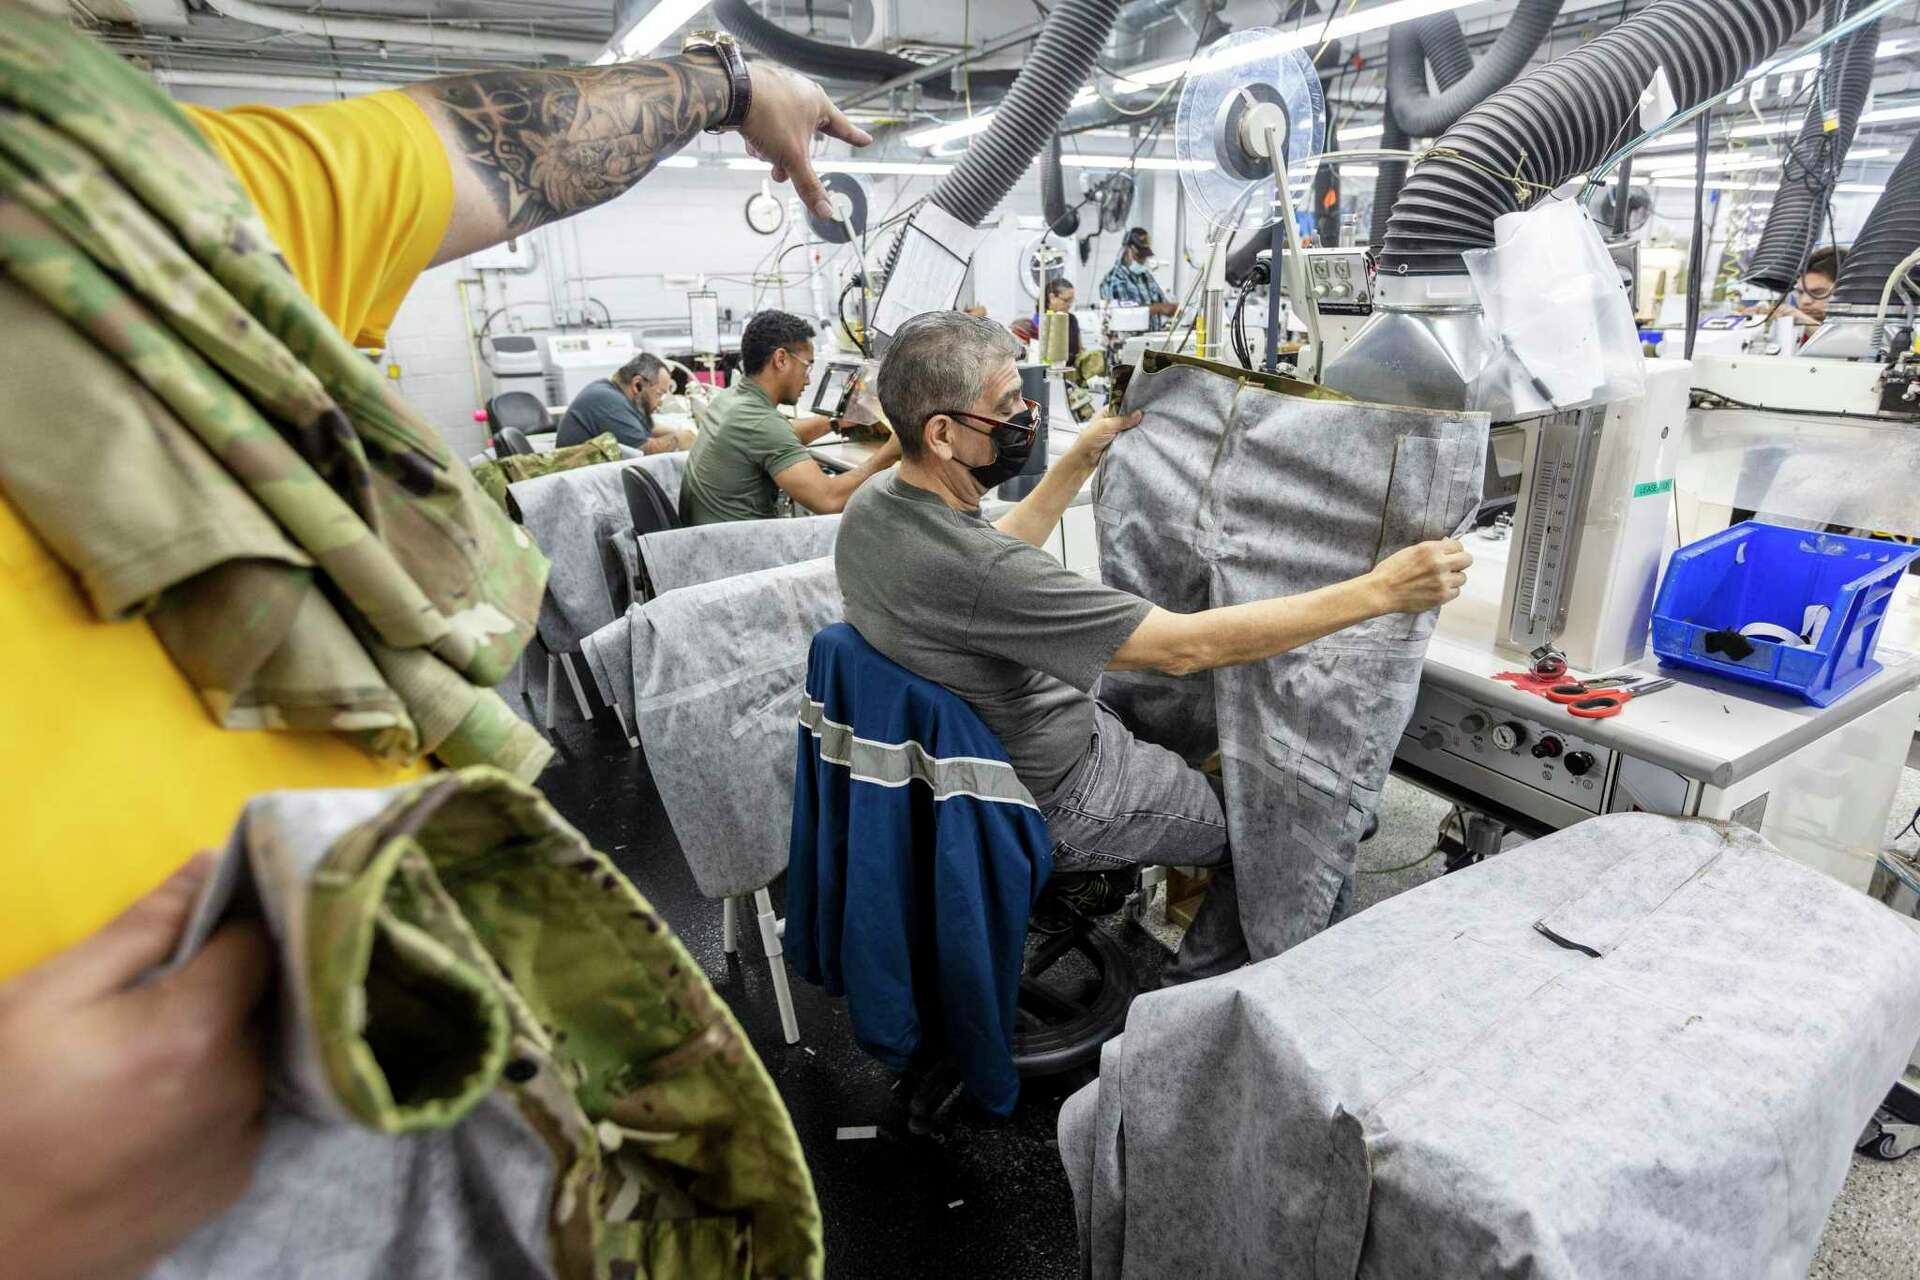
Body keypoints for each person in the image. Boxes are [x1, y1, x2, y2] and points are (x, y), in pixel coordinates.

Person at [0, 7, 870, 1271]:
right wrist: (729, 85)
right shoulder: (102, 212)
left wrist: (733, 84)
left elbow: (471, 143)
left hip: (429, 1070)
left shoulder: (98, 197)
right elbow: (491, 145)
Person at [834, 311, 1471, 980]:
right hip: (1063, 791)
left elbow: (993, 557)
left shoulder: (876, 507)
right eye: (1008, 404)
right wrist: (1380, 591)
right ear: (941, 433)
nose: (1026, 415)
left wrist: (1077, 462)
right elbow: (1181, 649)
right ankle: (1189, 1006)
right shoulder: (988, 576)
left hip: (989, 765)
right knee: (1275, 839)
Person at [680, 310, 901, 523]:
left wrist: (837, 421)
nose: (808, 380)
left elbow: (780, 434)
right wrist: (891, 452)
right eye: (807, 367)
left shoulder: (729, 400)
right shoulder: (761, 423)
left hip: (706, 536)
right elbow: (829, 499)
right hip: (739, 544)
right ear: (781, 359)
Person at [555, 352, 692, 453]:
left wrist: (678, 431)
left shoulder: (610, 391)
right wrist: (678, 438)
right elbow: (645, 451)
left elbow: (643, 427)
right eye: (659, 394)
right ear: (638, 385)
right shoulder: (608, 400)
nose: (660, 403)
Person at [1099, 226, 1178, 322]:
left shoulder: (1145, 276)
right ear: (1127, 251)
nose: (1142, 260)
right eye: (1139, 256)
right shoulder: (1113, 280)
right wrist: (1158, 309)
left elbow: (1164, 305)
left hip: (1151, 332)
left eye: (1144, 256)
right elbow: (1124, 314)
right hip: (1129, 332)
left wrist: (1174, 309)